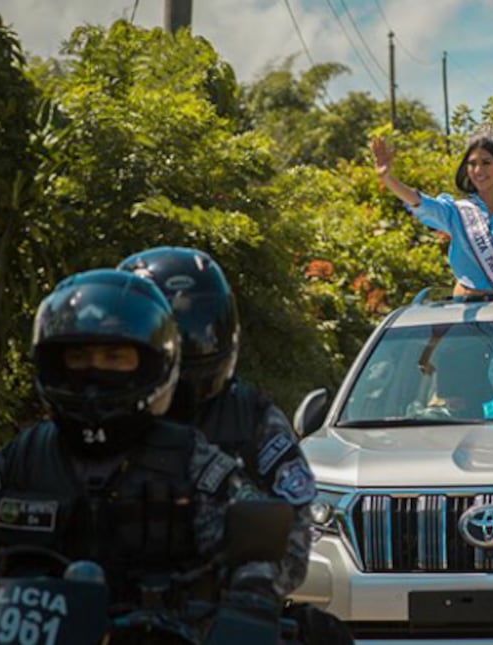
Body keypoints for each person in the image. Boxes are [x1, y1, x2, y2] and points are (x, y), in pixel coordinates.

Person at [0, 269, 288, 612]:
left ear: (154, 364)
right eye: (78, 358)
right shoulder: (22, 461)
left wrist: (250, 604)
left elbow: (255, 551)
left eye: (115, 357)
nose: (94, 373)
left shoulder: (193, 464)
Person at [117, 247, 351, 643]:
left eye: (194, 322)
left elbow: (294, 531)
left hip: (214, 610)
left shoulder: (252, 419)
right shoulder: (96, 417)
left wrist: (249, 586)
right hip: (107, 598)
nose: (188, 341)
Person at [370, 129, 493, 303]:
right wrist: (388, 178)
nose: (478, 170)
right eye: (472, 164)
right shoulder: (458, 212)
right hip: (464, 309)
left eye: (486, 162)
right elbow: (421, 203)